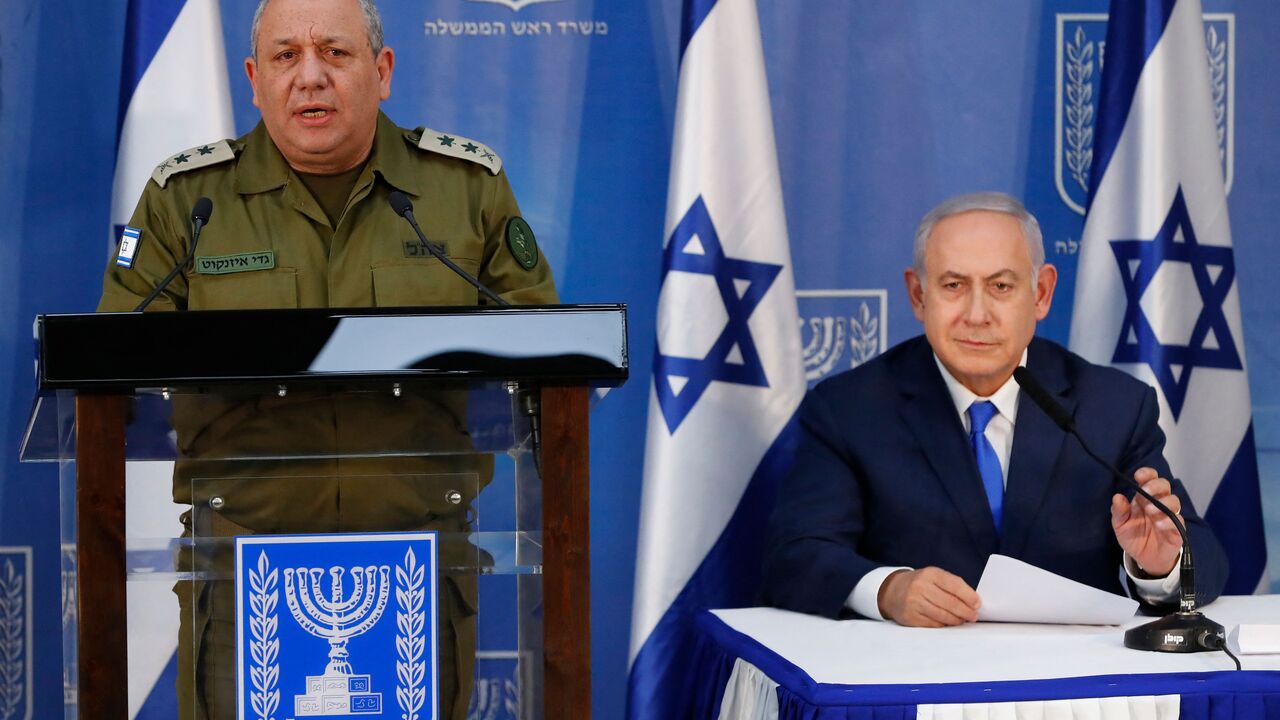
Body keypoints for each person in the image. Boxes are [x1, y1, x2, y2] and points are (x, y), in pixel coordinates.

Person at [97, 0, 555, 717]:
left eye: (335, 54)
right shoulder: (186, 201)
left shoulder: (467, 192)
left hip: (419, 568)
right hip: (242, 567)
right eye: (285, 56)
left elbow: (547, 362)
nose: (309, 77)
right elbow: (109, 368)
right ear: (253, 79)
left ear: (383, 71)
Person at [761, 192, 1227, 627]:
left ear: (1041, 293)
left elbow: (1203, 555)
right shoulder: (850, 409)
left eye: (1001, 286)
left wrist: (1159, 563)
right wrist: (889, 590)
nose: (977, 314)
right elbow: (797, 553)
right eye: (953, 285)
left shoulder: (1113, 407)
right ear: (919, 295)